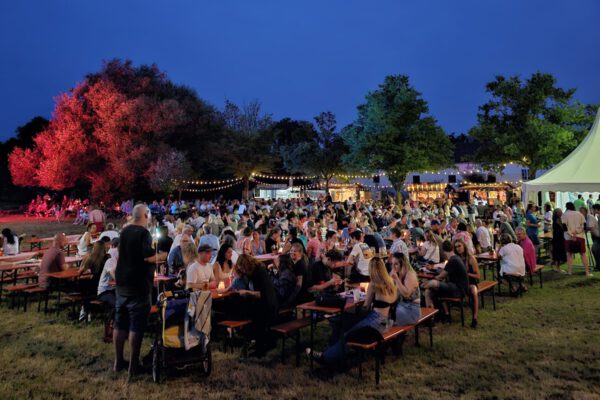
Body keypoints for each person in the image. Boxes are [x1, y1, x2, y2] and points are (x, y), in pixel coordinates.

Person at [306, 257, 397, 366]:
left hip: (375, 322)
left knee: (347, 334)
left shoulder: (374, 284)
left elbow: (366, 306)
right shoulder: (391, 282)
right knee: (346, 323)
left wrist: (356, 304)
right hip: (386, 321)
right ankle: (331, 351)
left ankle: (325, 358)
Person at [113, 204, 166, 378]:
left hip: (122, 282)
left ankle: (118, 361)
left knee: (120, 322)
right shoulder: (144, 233)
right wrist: (161, 256)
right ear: (145, 214)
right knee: (136, 325)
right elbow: (147, 257)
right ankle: (133, 366)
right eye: (148, 214)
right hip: (138, 284)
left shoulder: (124, 231)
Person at [234, 254, 279, 358]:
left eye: (242, 268)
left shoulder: (259, 273)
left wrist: (247, 292)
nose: (242, 271)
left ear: (246, 265)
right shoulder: (251, 273)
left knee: (253, 317)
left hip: (267, 305)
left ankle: (259, 348)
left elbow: (261, 294)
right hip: (262, 303)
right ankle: (254, 341)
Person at [422, 240, 469, 323]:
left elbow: (441, 277)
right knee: (428, 291)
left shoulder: (453, 260)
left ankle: (420, 286)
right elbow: (444, 272)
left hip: (458, 290)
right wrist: (433, 269)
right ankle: (432, 318)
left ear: (443, 251)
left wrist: (430, 279)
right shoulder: (455, 258)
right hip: (459, 288)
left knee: (433, 284)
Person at [453, 239, 480, 328]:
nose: (458, 248)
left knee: (474, 291)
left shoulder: (470, 258)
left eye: (459, 246)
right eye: (456, 247)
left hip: (470, 282)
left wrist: (467, 274)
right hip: (458, 283)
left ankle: (475, 318)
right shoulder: (455, 259)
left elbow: (478, 276)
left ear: (464, 246)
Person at [389, 252, 421, 326]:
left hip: (411, 310)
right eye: (392, 264)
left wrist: (396, 279)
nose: (393, 267)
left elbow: (406, 294)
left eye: (396, 264)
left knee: (388, 319)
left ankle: (397, 335)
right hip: (401, 305)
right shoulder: (398, 274)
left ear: (402, 264)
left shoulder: (410, 275)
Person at [561, 202, 591, 276]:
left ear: (566, 207)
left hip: (568, 237)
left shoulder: (564, 214)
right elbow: (584, 225)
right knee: (583, 254)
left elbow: (564, 227)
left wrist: (571, 234)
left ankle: (569, 272)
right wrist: (576, 232)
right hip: (580, 236)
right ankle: (587, 272)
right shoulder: (579, 214)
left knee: (569, 254)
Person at [97, 238, 119, 309]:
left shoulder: (118, 261)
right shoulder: (110, 261)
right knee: (118, 304)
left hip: (113, 289)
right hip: (104, 292)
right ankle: (113, 319)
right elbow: (113, 274)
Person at [551, 208, 567, 273]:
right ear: (557, 213)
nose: (562, 213)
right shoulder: (558, 220)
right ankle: (558, 268)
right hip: (558, 239)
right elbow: (563, 228)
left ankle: (556, 266)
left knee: (557, 253)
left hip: (557, 238)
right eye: (560, 212)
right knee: (558, 253)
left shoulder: (556, 219)